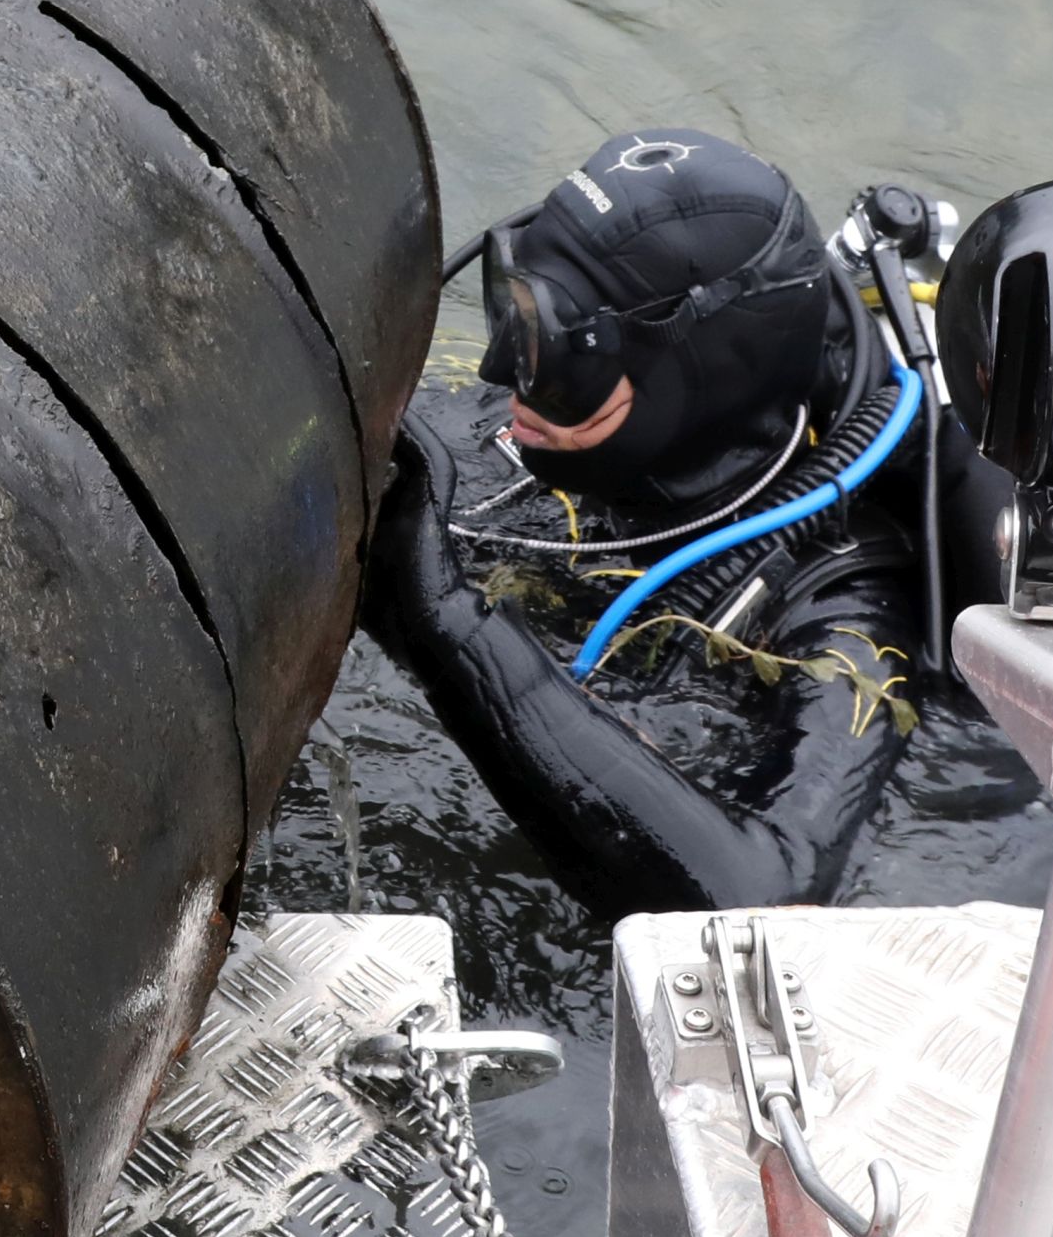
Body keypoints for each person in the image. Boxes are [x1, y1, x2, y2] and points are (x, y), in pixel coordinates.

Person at [361, 127, 981, 915]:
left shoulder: (842, 605)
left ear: (701, 380)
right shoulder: (517, 427)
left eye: (559, 346)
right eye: (510, 311)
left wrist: (444, 623)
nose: (502, 372)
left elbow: (766, 894)